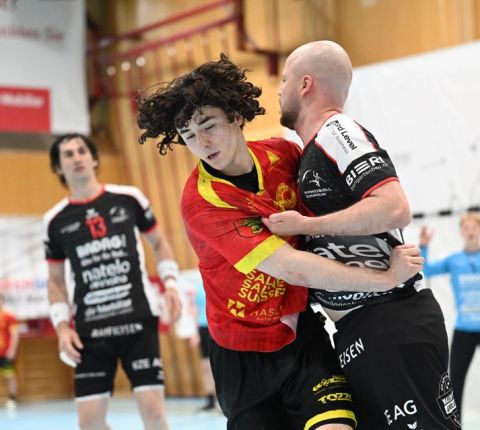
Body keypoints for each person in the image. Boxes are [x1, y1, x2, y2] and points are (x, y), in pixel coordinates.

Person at [136, 54, 423, 430]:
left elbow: (338, 210)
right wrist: (385, 279)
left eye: (208, 126)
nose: (202, 143)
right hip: (240, 352)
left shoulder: (284, 155)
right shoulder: (201, 201)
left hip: (301, 334)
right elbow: (291, 267)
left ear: (235, 116)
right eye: (189, 136)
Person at [262, 40, 461, 429]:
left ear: (305, 84)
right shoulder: (310, 151)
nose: (279, 90)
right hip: (359, 327)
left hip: (390, 317)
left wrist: (306, 225)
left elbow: (394, 207)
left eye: (284, 80)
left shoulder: (337, 131)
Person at [43, 133, 182, 430]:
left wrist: (171, 282)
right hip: (90, 329)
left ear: (94, 159)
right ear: (58, 167)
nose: (77, 158)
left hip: (137, 320)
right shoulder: (54, 221)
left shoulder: (129, 198)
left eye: (82, 151)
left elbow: (159, 243)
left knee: (155, 415)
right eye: (68, 154)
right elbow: (55, 282)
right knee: (90, 424)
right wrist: (62, 327)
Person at [420, 211, 480, 419]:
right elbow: (427, 270)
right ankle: (456, 423)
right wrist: (424, 246)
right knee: (456, 380)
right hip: (464, 329)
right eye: (467, 228)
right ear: (461, 232)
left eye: (475, 227)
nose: (471, 232)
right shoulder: (455, 261)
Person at [188, 276, 217, 413]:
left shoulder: (217, 283)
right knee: (206, 365)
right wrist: (194, 333)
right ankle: (210, 400)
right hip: (203, 328)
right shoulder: (199, 287)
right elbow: (196, 311)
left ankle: (224, 401)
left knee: (221, 364)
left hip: (217, 327)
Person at [0, 293, 20, 410]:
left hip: (5, 353)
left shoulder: (8, 316)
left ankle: (12, 398)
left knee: (9, 375)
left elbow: (15, 334)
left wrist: (12, 350)